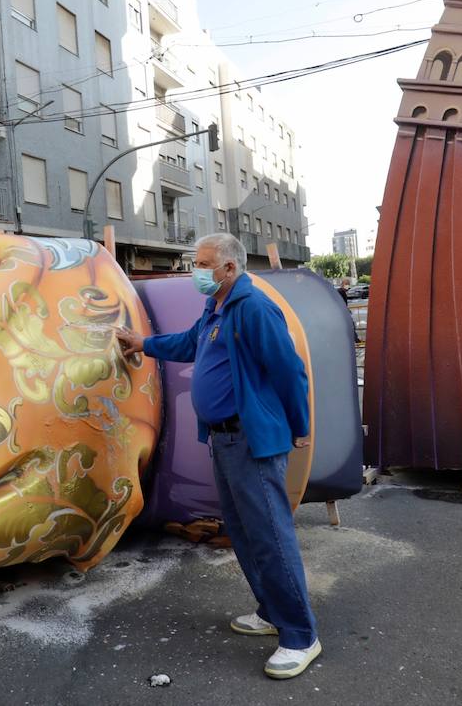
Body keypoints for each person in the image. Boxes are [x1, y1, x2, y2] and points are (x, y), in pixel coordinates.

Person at [115, 233, 319, 680]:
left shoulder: (253, 308)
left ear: (229, 268)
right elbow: (191, 344)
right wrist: (142, 344)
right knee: (244, 533)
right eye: (197, 262)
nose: (197, 271)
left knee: (269, 535)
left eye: (205, 264)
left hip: (252, 442)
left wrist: (300, 427)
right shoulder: (217, 307)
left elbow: (290, 371)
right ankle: (271, 612)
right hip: (225, 442)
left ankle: (300, 636)